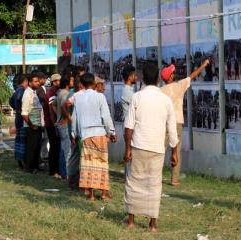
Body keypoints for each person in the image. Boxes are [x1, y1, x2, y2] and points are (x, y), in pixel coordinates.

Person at [123, 63, 178, 232]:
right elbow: (172, 128)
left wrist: (127, 149)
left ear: (144, 79)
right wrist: (174, 152)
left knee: (134, 182)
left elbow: (129, 127)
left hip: (138, 145)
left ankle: (131, 221)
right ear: (157, 79)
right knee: (154, 185)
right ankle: (153, 224)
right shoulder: (166, 100)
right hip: (157, 148)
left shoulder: (137, 97)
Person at [160, 59, 210, 186]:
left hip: (163, 124)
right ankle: (174, 179)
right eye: (173, 73)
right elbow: (192, 76)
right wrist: (203, 65)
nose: (175, 74)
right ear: (171, 76)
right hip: (176, 123)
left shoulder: (161, 91)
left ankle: (155, 176)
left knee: (160, 150)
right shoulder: (179, 86)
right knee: (176, 151)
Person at [72, 73, 117, 201]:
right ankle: (104, 193)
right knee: (102, 163)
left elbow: (75, 118)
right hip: (99, 134)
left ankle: (91, 194)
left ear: (82, 83)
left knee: (88, 164)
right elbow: (106, 116)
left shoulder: (78, 98)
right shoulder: (100, 97)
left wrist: (73, 134)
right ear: (93, 83)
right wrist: (112, 132)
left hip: (85, 135)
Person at [21, 74, 44, 173]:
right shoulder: (27, 93)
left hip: (37, 124)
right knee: (31, 147)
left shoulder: (33, 92)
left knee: (37, 146)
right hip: (31, 126)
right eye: (35, 81)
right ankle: (29, 167)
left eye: (38, 81)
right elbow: (24, 113)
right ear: (30, 82)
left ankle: (35, 166)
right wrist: (31, 125)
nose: (38, 83)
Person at [55, 74, 75, 178]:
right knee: (67, 150)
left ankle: (63, 172)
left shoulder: (60, 92)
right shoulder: (65, 94)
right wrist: (67, 118)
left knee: (63, 149)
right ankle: (66, 173)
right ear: (67, 82)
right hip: (64, 124)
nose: (73, 82)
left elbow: (53, 104)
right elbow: (64, 107)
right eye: (72, 80)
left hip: (60, 122)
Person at [44, 73, 61, 178]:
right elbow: (51, 111)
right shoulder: (51, 93)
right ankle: (53, 170)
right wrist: (55, 124)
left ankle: (55, 169)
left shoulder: (55, 92)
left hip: (53, 123)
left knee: (56, 147)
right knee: (54, 147)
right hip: (51, 123)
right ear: (54, 82)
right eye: (59, 81)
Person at [10, 74, 28, 169]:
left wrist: (17, 109)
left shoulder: (16, 91)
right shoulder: (22, 90)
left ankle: (20, 161)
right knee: (23, 142)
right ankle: (23, 162)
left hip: (18, 118)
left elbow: (11, 101)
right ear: (25, 81)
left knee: (19, 141)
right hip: (22, 119)